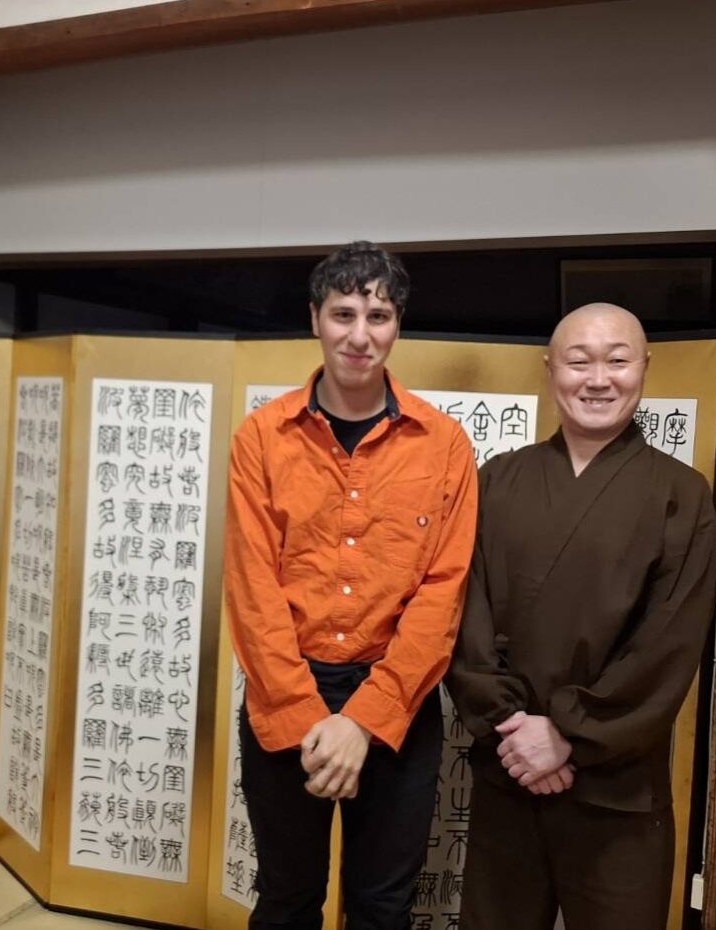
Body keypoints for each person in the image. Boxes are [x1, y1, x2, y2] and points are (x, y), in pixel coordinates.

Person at [223, 241, 478, 930]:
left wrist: (364, 722)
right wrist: (313, 723)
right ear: (315, 319)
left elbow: (442, 590)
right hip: (287, 696)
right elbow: (252, 588)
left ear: (398, 327)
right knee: (286, 898)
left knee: (383, 906)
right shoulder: (262, 437)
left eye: (379, 316)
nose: (360, 336)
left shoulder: (444, 444)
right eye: (343, 314)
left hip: (397, 700)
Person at [446, 303, 716, 930]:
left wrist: (569, 733)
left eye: (617, 360)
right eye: (579, 361)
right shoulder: (499, 480)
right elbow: (465, 614)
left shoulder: (681, 494)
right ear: (550, 372)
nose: (599, 378)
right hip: (508, 770)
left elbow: (668, 644)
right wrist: (512, 725)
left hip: (618, 790)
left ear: (645, 368)